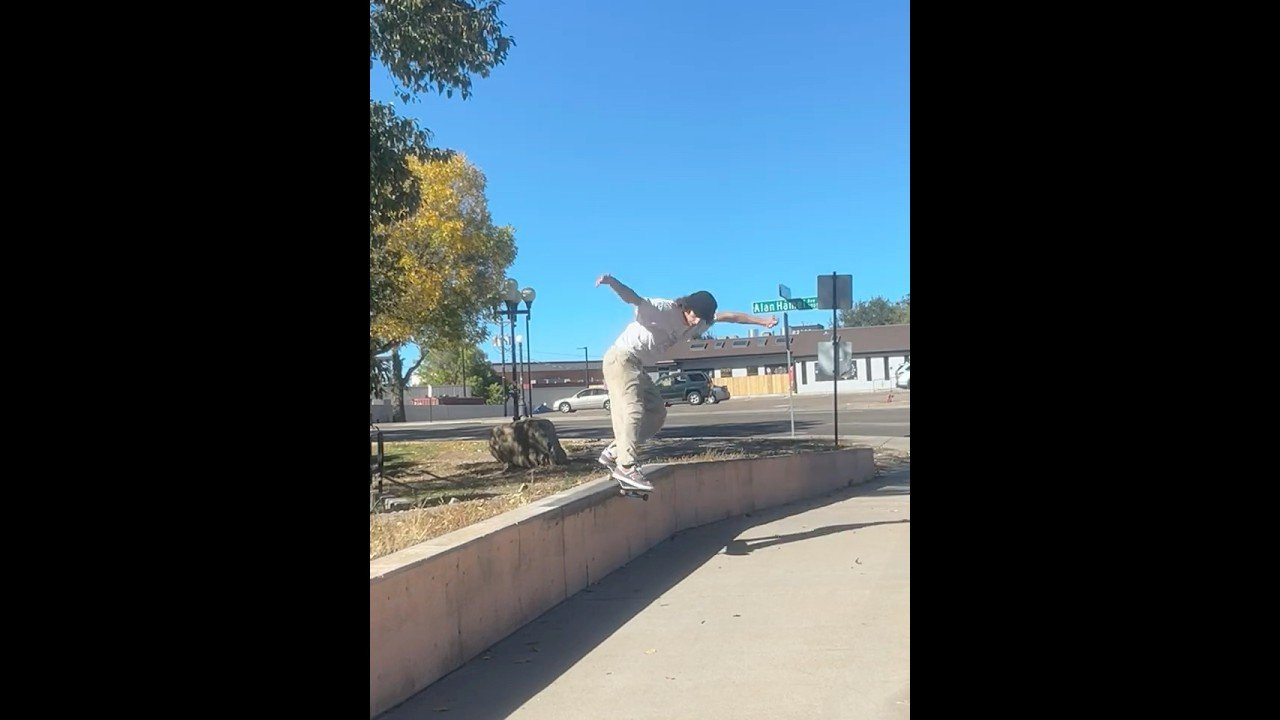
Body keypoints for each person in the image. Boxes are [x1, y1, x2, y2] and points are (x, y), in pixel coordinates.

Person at [594, 273, 778, 491]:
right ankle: (626, 466)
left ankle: (614, 452)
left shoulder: (700, 322)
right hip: (620, 358)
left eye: (703, 319)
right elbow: (632, 297)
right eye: (695, 316)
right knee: (632, 410)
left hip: (638, 366)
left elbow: (730, 316)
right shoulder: (664, 308)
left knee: (656, 414)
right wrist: (612, 282)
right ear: (687, 307)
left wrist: (762, 321)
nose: (697, 322)